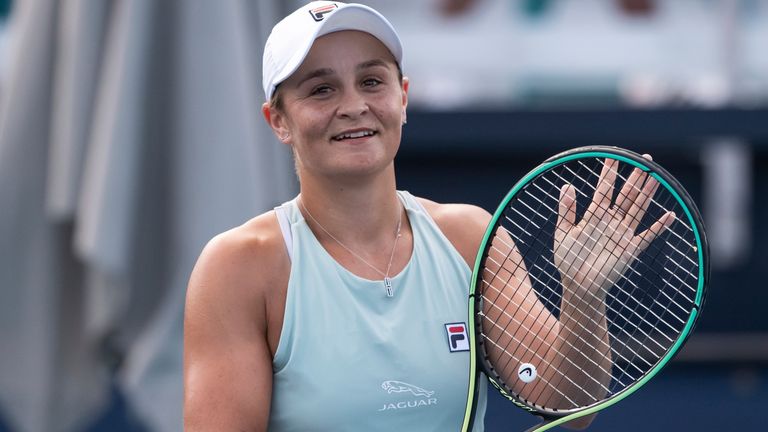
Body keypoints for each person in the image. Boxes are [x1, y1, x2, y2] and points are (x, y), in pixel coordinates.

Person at [183, 2, 673, 431]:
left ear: (403, 97)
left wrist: (583, 300)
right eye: (321, 90)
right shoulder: (239, 267)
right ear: (279, 121)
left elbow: (567, 402)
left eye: (371, 81)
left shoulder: (467, 237)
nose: (353, 106)